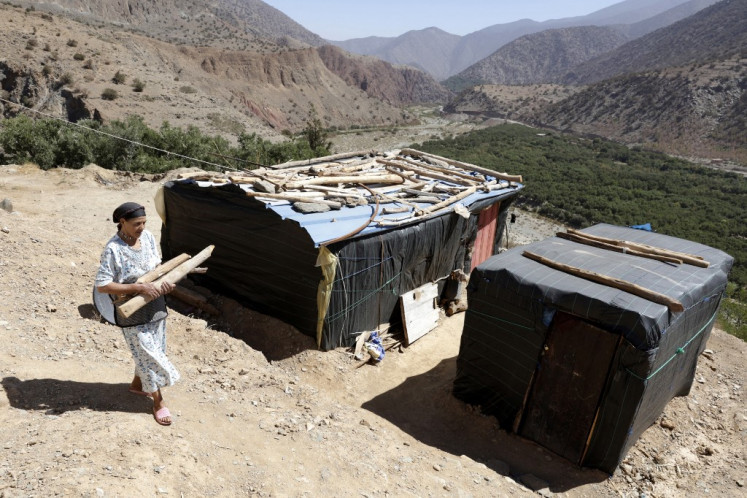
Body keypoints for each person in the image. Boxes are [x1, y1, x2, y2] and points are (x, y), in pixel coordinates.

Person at [95, 202, 180, 426]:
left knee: (154, 349)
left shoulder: (149, 237)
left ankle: (137, 385)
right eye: (136, 224)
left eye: (144, 223)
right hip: (131, 311)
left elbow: (157, 267)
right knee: (149, 354)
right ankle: (158, 402)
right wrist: (139, 288)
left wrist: (165, 283)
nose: (141, 227)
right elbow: (103, 285)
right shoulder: (113, 249)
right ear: (122, 222)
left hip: (155, 306)